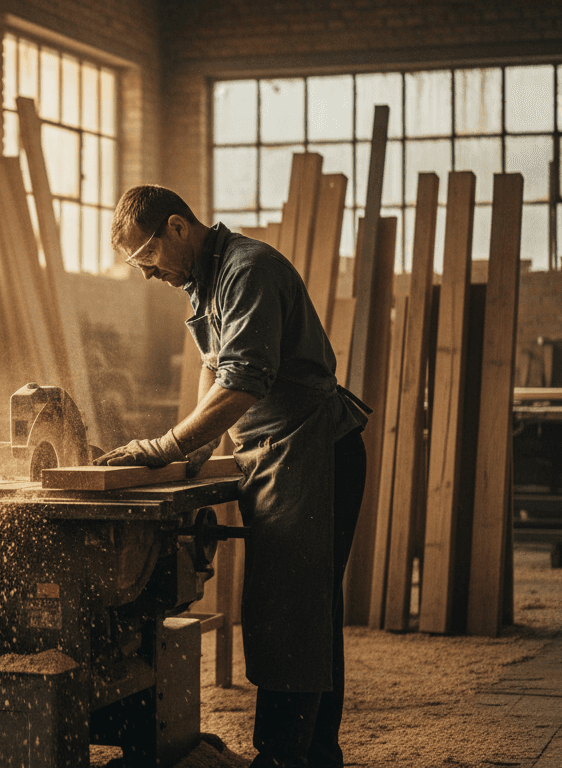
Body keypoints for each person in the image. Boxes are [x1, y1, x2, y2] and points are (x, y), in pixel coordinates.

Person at [94, 185, 370, 768]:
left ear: (176, 227)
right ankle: (315, 756)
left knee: (291, 609)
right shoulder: (204, 277)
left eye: (146, 257)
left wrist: (164, 444)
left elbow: (245, 379)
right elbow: (213, 364)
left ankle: (283, 756)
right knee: (302, 608)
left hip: (311, 448)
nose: (146, 275)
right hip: (275, 452)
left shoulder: (248, 269)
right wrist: (199, 447)